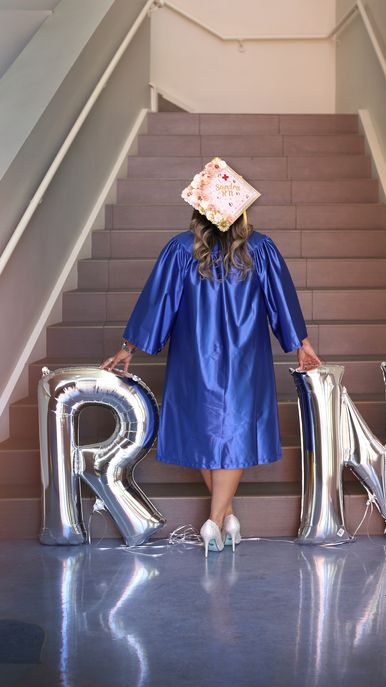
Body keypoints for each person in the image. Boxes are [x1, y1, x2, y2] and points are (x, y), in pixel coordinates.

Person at [100, 157, 321, 557]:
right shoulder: (261, 249)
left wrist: (128, 347)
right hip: (244, 359)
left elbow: (157, 304)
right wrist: (300, 343)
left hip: (194, 357)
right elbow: (282, 303)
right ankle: (219, 520)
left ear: (199, 210)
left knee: (207, 433)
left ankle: (219, 520)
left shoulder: (181, 249)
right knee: (230, 435)